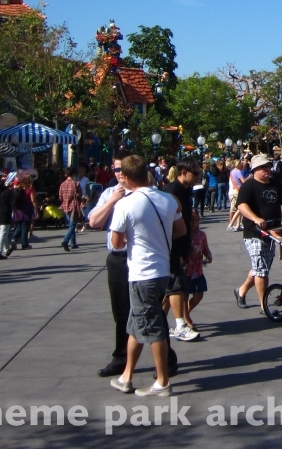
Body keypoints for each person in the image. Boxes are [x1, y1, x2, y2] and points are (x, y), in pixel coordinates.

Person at [88, 151, 179, 379]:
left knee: (151, 313)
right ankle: (123, 363)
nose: (118, 174)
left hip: (144, 262)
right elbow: (94, 221)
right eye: (115, 170)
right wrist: (112, 200)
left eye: (122, 170)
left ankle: (165, 365)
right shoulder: (111, 194)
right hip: (120, 260)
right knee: (124, 313)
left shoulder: (150, 196)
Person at [108, 154, 186, 397]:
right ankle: (126, 376)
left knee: (152, 327)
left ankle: (162, 381)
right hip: (162, 268)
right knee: (136, 323)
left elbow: (116, 243)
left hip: (142, 272)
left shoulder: (126, 204)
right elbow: (180, 230)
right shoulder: (168, 199)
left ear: (128, 178)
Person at [234, 153, 282, 310]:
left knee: (260, 267)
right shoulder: (248, 186)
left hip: (273, 232)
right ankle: (263, 305)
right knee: (261, 269)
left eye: (268, 166)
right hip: (254, 233)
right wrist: (255, 218)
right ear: (255, 169)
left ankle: (241, 291)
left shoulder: (276, 184)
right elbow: (241, 206)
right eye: (263, 167)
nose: (267, 169)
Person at [163, 158, 202, 341]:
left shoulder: (186, 191)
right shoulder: (172, 191)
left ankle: (162, 323)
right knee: (175, 288)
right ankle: (179, 324)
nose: (198, 177)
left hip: (184, 246)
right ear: (183, 172)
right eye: (195, 173)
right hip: (173, 248)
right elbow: (168, 225)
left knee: (172, 290)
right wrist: (176, 252)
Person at [184, 211, 212, 329]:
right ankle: (186, 318)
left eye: (196, 221)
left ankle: (187, 312)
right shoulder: (184, 235)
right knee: (184, 296)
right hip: (186, 270)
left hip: (197, 269)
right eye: (191, 221)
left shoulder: (201, 235)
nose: (194, 223)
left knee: (199, 294)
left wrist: (209, 255)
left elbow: (205, 248)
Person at [59, 167, 82, 251]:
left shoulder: (62, 184)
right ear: (73, 174)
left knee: (71, 225)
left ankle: (73, 243)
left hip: (65, 206)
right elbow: (80, 194)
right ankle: (66, 240)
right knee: (72, 225)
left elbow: (60, 197)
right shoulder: (76, 184)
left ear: (66, 174)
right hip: (73, 206)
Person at [0, 173, 13, 260]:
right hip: (5, 214)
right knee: (3, 233)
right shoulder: (8, 193)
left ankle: (6, 249)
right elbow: (12, 203)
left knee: (3, 232)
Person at [228, 159, 245, 231]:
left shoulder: (232, 172)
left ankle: (237, 225)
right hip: (237, 190)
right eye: (241, 164)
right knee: (238, 209)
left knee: (237, 209)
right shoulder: (238, 171)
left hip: (233, 190)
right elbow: (243, 181)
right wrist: (250, 178)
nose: (242, 165)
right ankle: (231, 224)